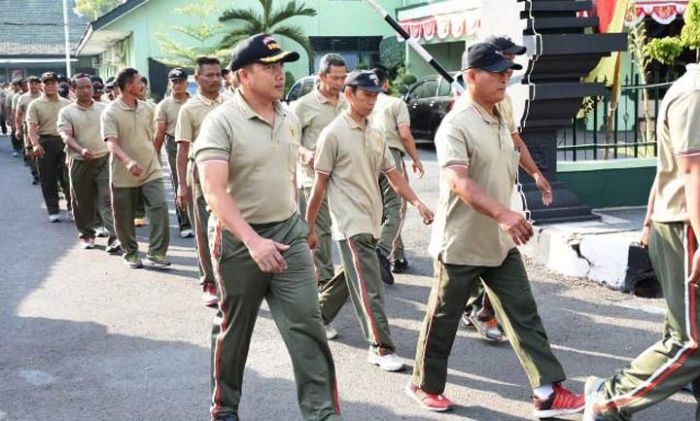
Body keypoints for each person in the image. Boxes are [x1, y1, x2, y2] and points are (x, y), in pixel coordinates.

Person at [406, 43, 583, 417]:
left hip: (499, 244)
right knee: (443, 319)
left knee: (524, 314)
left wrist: (536, 174)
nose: (506, 78)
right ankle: (423, 384)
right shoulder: (455, 125)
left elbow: (514, 149)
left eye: (507, 72)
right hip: (461, 244)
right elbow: (457, 181)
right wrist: (504, 214)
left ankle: (548, 390)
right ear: (471, 76)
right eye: (497, 72)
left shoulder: (499, 112)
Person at [194, 34, 341, 421]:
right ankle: (224, 407)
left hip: (287, 233)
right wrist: (253, 241)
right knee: (234, 328)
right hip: (239, 241)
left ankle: (323, 413)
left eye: (281, 66)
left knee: (307, 324)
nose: (280, 75)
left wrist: (300, 226)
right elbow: (213, 190)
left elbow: (287, 177)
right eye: (269, 67)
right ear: (243, 75)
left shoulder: (288, 116)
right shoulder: (220, 123)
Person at [583, 62, 700, 421]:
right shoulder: (694, 93)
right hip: (687, 226)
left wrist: (647, 219)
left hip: (683, 223)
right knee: (690, 342)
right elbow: (692, 170)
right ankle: (609, 400)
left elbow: (664, 167)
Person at [306, 70, 434, 372]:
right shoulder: (333, 134)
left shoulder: (376, 133)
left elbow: (393, 176)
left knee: (352, 277)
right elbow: (319, 185)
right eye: (366, 95)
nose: (372, 101)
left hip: (372, 219)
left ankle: (316, 318)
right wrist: (308, 226)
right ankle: (380, 346)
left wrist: (417, 202)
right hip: (350, 223)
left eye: (376, 95)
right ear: (349, 94)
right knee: (370, 286)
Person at [461, 35, 554, 343]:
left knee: (497, 257)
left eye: (513, 61)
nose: (510, 68)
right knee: (477, 261)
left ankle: (479, 309)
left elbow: (515, 141)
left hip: (501, 195)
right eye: (506, 59)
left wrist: (535, 173)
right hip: (476, 200)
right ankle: (478, 310)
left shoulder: (504, 101)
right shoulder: (465, 110)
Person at [101, 68, 170, 269]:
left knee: (159, 207)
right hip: (123, 174)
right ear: (128, 86)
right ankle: (130, 252)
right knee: (123, 215)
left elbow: (151, 134)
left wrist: (153, 155)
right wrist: (129, 161)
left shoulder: (148, 108)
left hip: (151, 169)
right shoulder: (110, 112)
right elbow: (111, 143)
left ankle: (156, 253)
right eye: (140, 82)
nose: (143, 86)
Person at [291, 53, 348, 288]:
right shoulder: (303, 106)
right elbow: (289, 140)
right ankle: (325, 279)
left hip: (344, 178)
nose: (340, 83)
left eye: (343, 78)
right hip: (313, 178)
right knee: (321, 230)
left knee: (349, 227)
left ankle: (349, 276)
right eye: (335, 78)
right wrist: (305, 153)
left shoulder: (348, 102)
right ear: (322, 76)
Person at [174, 57, 224, 307]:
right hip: (200, 172)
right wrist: (182, 185)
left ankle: (230, 280)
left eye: (218, 74)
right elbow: (182, 150)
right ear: (197, 79)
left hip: (230, 171)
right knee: (204, 229)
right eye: (209, 75)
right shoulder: (189, 109)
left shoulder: (231, 103)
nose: (215, 79)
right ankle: (209, 282)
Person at [371, 67, 425, 280]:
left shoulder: (364, 103)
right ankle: (382, 252)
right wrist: (416, 159)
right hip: (390, 155)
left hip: (367, 157)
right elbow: (404, 134)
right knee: (396, 208)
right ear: (385, 84)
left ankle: (398, 256)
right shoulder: (395, 103)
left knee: (380, 209)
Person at [58, 74, 119, 252]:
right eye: (81, 87)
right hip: (79, 162)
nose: (86, 90)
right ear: (73, 90)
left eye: (89, 87)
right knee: (82, 201)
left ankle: (113, 237)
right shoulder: (67, 112)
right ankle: (87, 235)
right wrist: (81, 150)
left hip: (104, 159)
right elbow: (66, 136)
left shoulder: (104, 108)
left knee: (107, 198)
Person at [26, 72, 72, 222]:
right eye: (47, 83)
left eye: (53, 83)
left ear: (58, 85)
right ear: (42, 85)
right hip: (45, 142)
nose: (50, 86)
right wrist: (35, 145)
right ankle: (53, 210)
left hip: (64, 142)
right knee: (48, 179)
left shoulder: (67, 103)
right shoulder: (35, 104)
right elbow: (32, 128)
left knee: (68, 177)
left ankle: (72, 208)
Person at [155, 68, 193, 238]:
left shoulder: (194, 102)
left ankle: (200, 219)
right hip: (174, 144)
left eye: (181, 81)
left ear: (187, 83)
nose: (178, 84)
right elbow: (160, 131)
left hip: (195, 142)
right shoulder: (163, 105)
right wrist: (155, 153)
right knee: (180, 182)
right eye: (174, 81)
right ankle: (184, 223)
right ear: (170, 84)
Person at [15, 75, 42, 185]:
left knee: (42, 151)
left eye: (36, 83)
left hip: (42, 127)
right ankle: (35, 173)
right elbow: (18, 115)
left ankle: (43, 173)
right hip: (28, 128)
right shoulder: (23, 98)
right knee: (30, 151)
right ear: (28, 85)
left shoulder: (44, 96)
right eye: (31, 83)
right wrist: (17, 129)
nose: (33, 85)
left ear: (39, 84)